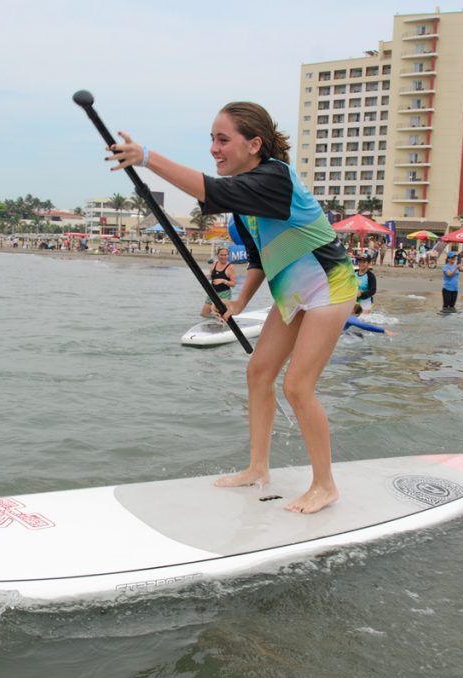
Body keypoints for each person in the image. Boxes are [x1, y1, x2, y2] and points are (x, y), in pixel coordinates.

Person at [105, 101, 358, 513]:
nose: (214, 148)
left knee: (297, 386)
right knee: (258, 371)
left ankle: (325, 485)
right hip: (292, 295)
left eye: (223, 139)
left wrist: (147, 159)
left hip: (330, 284)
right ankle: (258, 468)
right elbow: (261, 258)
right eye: (212, 139)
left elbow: (212, 190)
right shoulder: (245, 206)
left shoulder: (274, 177)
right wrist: (240, 300)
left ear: (254, 144)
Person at [200, 246, 237, 318]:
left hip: (224, 294)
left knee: (221, 314)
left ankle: (222, 323)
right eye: (221, 255)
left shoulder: (230, 267)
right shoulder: (215, 264)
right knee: (204, 314)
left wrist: (223, 281)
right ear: (218, 255)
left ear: (228, 255)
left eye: (225, 255)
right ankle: (215, 323)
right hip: (212, 292)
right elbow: (212, 276)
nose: (223, 257)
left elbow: (233, 284)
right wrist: (208, 276)